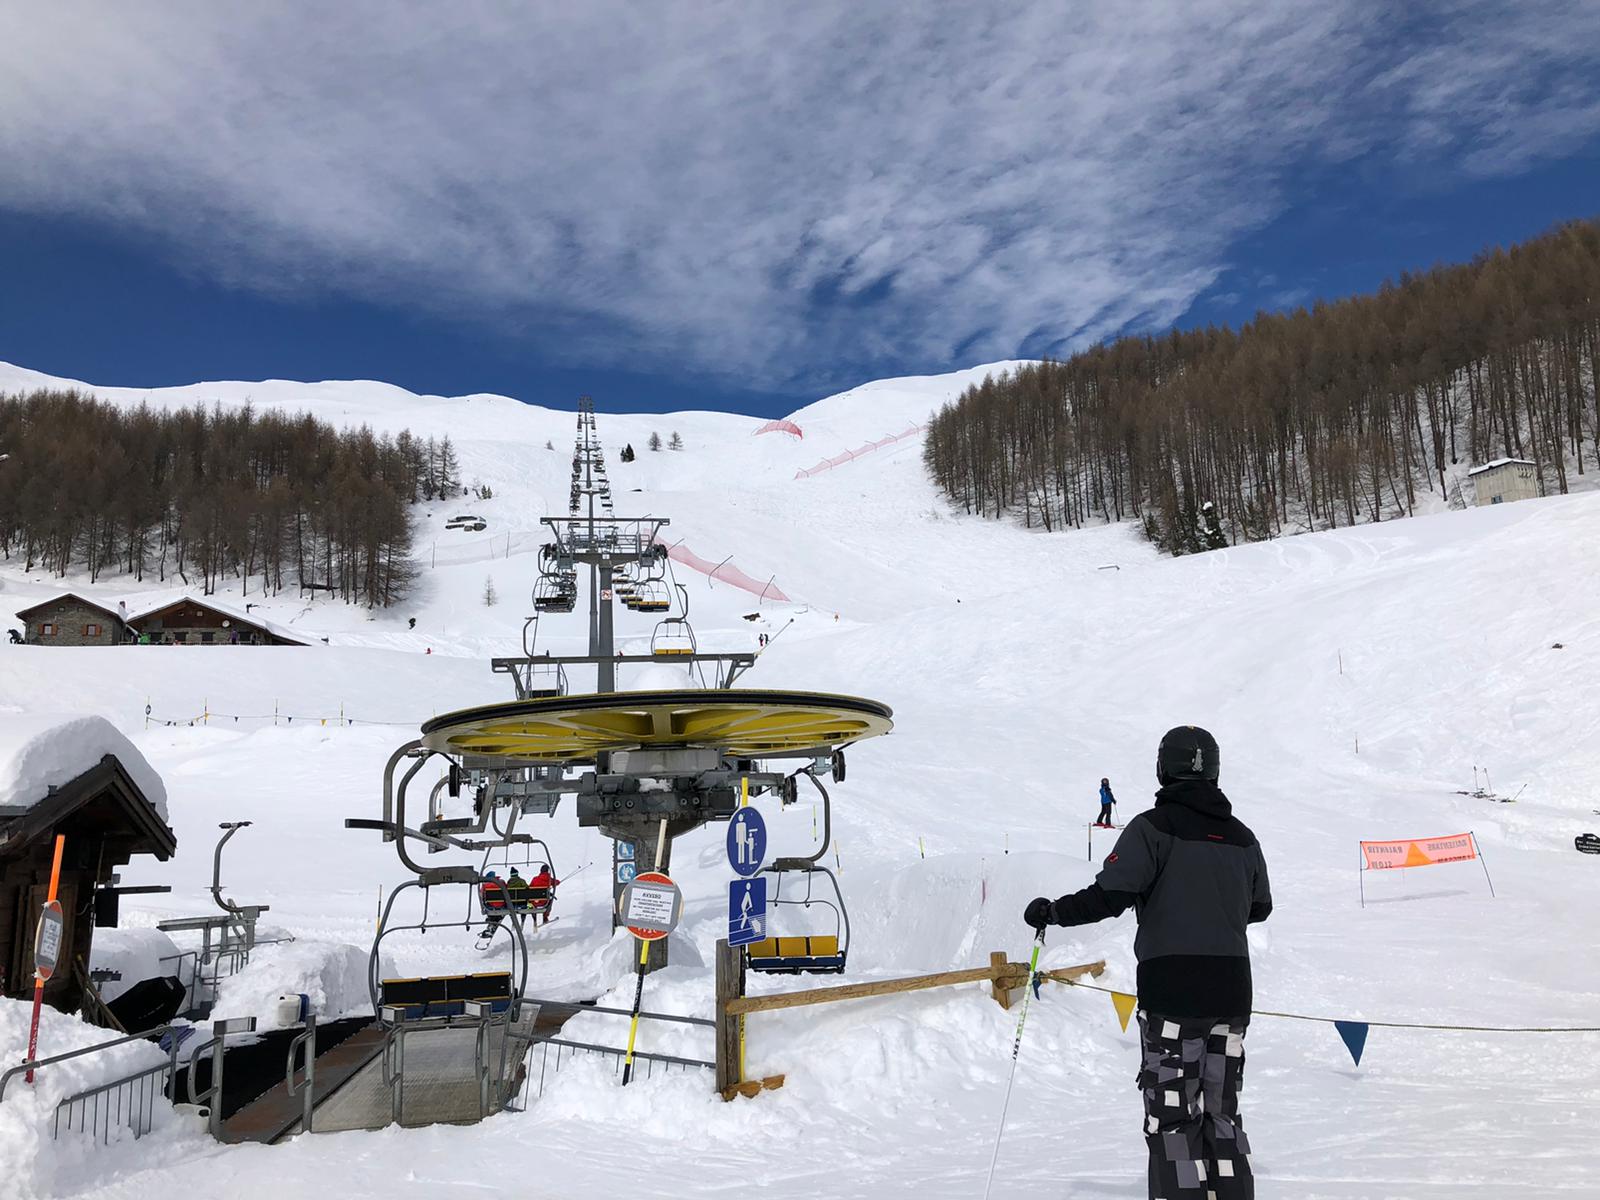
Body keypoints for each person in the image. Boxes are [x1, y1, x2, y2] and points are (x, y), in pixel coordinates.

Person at [1025, 726, 1271, 1200]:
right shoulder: (1243, 838)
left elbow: (1110, 895)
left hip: (1175, 990)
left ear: (1163, 768)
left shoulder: (1153, 828)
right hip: (1232, 993)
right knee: (1221, 1114)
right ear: (1214, 770)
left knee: (1174, 1118)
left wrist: (1053, 912)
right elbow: (1259, 907)